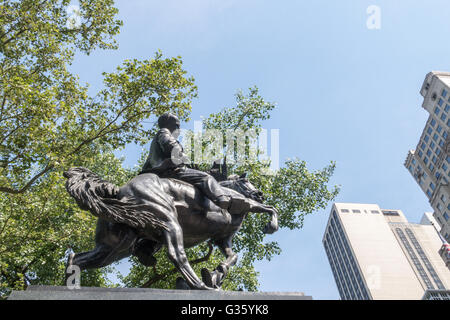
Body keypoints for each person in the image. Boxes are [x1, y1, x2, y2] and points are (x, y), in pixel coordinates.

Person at [140, 113, 231, 210]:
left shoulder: (155, 142)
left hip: (159, 171)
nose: (179, 128)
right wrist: (184, 156)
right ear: (168, 124)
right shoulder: (164, 132)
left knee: (201, 175)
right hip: (169, 170)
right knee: (206, 178)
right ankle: (222, 199)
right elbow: (170, 146)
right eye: (177, 125)